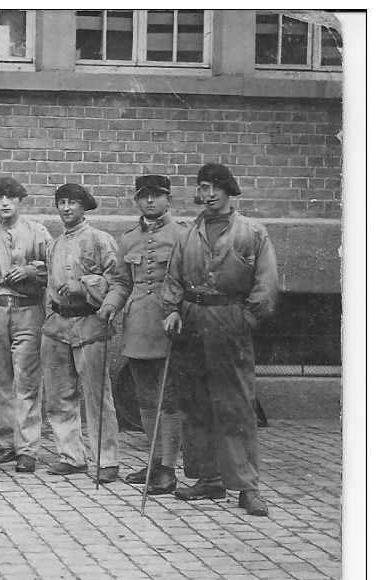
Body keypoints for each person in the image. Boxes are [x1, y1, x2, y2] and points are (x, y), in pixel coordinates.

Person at [162, 163, 279, 517]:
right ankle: (208, 479)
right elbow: (174, 279)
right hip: (193, 323)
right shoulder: (187, 234)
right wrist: (172, 310)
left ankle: (246, 487)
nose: (209, 195)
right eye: (203, 188)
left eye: (215, 188)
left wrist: (246, 318)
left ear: (229, 192)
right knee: (195, 404)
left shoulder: (252, 232)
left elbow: (267, 283)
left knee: (236, 405)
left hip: (230, 323)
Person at [101, 175, 185, 496]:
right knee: (145, 396)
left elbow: (187, 281)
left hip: (168, 324)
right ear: (136, 200)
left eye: (156, 196)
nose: (149, 202)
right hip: (137, 324)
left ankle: (169, 468)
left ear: (168, 199)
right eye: (143, 196)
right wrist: (110, 306)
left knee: (170, 395)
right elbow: (122, 281)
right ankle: (154, 462)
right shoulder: (129, 239)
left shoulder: (181, 235)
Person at [41, 183, 123, 484]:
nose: (65, 208)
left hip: (89, 324)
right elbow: (49, 285)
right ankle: (71, 456)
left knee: (96, 395)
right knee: (59, 395)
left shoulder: (101, 240)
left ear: (83, 206)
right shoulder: (53, 244)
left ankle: (107, 460)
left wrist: (84, 285)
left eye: (72, 203)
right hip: (57, 326)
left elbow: (117, 282)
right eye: (61, 202)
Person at [0, 177, 53, 472]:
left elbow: (53, 269)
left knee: (28, 381)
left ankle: (27, 449)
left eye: (10, 197)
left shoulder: (38, 232)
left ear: (20, 200)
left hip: (28, 312)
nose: (4, 203)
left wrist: (31, 272)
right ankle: (4, 442)